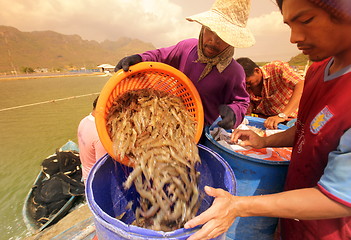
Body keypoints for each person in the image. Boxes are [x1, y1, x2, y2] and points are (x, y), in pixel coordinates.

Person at [184, 0, 351, 239]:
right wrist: (264, 142)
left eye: (305, 20)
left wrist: (238, 205)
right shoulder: (316, 71)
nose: (293, 38)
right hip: (291, 220)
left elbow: (339, 198)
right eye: (289, 25)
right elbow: (307, 130)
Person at [114, 0, 255, 130]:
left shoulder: (235, 72)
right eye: (210, 31)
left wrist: (234, 113)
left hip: (200, 129)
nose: (214, 40)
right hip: (168, 117)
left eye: (223, 36)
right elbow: (159, 56)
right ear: (203, 29)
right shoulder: (187, 48)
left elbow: (241, 102)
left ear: (232, 41)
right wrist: (140, 58)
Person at [236, 57, 304, 129]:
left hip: (290, 120)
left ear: (257, 71)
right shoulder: (244, 87)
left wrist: (282, 115)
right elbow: (246, 111)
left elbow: (301, 84)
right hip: (266, 123)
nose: (247, 86)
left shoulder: (277, 69)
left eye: (248, 83)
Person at [77, 96, 107, 182]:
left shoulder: (84, 121)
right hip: (95, 180)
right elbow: (103, 169)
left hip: (86, 173)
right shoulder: (100, 134)